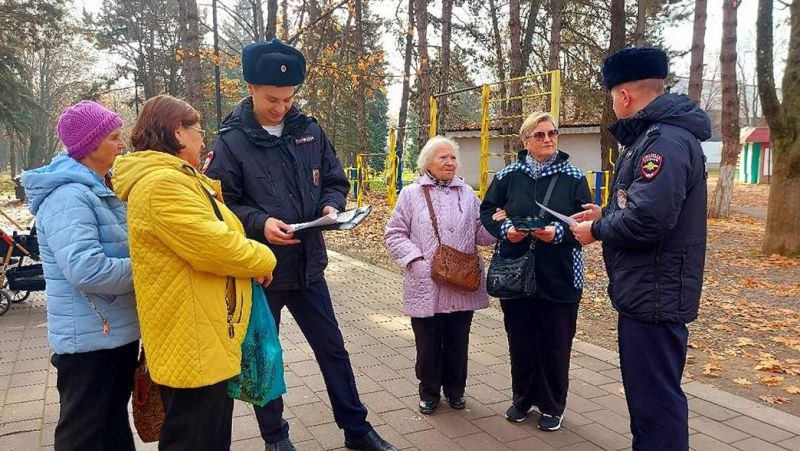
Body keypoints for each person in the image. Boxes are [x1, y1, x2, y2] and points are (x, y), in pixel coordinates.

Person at [205, 39, 396, 451]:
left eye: (289, 98)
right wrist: (259, 222)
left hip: (309, 267)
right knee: (265, 357)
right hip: (262, 270)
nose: (281, 107)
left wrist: (331, 205)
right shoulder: (231, 142)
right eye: (273, 98)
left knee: (333, 350)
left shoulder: (308, 131)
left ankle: (357, 431)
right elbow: (222, 205)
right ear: (251, 88)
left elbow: (334, 179)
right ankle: (276, 439)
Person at [112, 94, 277, 450]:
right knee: (195, 438)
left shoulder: (177, 179)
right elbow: (216, 246)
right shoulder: (163, 185)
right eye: (198, 131)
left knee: (209, 436)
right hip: (192, 340)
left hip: (203, 333)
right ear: (177, 133)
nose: (203, 139)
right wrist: (264, 258)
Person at [570, 47, 710, 450]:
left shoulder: (661, 143)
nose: (614, 104)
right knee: (649, 400)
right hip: (649, 290)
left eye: (612, 96)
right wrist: (608, 211)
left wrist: (596, 229)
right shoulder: (659, 136)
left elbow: (649, 220)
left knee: (655, 405)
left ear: (624, 96)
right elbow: (645, 205)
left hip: (655, 294)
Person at [21, 100, 139, 451]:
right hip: (89, 340)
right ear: (90, 146)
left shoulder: (100, 189)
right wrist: (148, 271)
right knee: (83, 433)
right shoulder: (70, 196)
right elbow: (87, 269)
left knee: (112, 424)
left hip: (112, 332)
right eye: (114, 137)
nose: (122, 145)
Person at [479, 112, 592, 431]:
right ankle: (522, 399)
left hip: (561, 273)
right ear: (525, 140)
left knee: (556, 343)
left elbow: (586, 224)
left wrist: (557, 233)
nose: (548, 139)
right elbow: (488, 210)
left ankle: (552, 405)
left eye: (552, 133)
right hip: (516, 269)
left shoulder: (573, 176)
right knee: (521, 340)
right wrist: (506, 230)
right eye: (539, 135)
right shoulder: (508, 175)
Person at [384, 136, 495, 416]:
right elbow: (394, 233)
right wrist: (417, 261)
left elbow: (481, 234)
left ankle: (456, 391)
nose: (449, 162)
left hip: (462, 280)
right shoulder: (411, 194)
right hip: (426, 282)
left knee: (458, 341)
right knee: (428, 343)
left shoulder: (468, 194)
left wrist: (496, 225)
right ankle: (429, 392)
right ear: (427, 163)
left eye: (453, 157)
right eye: (442, 157)